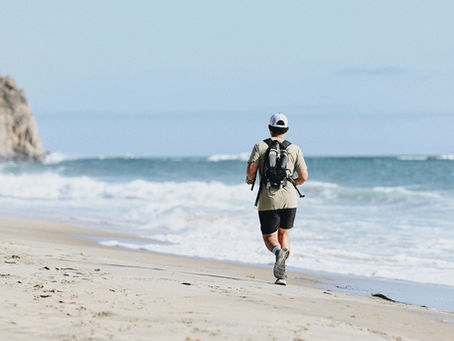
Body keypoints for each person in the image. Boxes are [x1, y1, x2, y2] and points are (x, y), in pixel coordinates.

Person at [246, 113, 308, 285]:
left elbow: (251, 169)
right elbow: (304, 176)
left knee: (268, 236)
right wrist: (293, 182)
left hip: (268, 198)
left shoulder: (260, 146)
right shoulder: (294, 148)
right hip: (289, 198)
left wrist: (250, 179)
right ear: (287, 129)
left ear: (269, 128)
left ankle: (277, 251)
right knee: (284, 232)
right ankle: (282, 275)